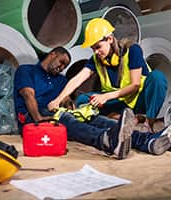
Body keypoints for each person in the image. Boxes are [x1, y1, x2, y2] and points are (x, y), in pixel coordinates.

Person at [13, 46, 171, 160]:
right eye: (61, 62)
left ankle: (147, 141)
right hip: (34, 116)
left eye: (64, 66)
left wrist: (70, 105)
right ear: (53, 54)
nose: (61, 68)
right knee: (67, 119)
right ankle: (106, 141)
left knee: (94, 118)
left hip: (57, 113)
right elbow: (28, 96)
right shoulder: (26, 70)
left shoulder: (60, 80)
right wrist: (38, 119)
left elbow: (66, 98)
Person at [48, 18, 168, 132]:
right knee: (83, 100)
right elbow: (78, 79)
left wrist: (105, 97)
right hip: (118, 101)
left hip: (139, 100)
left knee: (158, 78)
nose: (96, 52)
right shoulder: (96, 59)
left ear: (110, 39)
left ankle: (148, 124)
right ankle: (124, 117)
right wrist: (57, 100)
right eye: (92, 48)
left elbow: (135, 85)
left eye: (98, 47)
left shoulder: (132, 50)